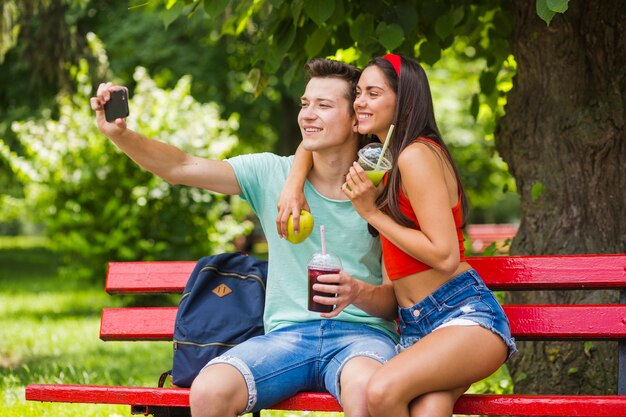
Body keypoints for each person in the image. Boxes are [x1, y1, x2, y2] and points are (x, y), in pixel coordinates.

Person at [90, 58, 399, 417]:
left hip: (361, 339)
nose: (308, 115)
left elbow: (395, 303)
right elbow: (181, 167)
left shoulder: (386, 188)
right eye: (305, 103)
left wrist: (356, 292)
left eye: (324, 105)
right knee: (209, 390)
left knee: (365, 391)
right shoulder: (272, 175)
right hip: (287, 337)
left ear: (355, 119)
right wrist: (121, 135)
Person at [278, 54, 518, 417]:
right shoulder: (383, 160)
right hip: (415, 325)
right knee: (429, 408)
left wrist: (371, 213)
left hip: (460, 315)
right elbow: (311, 143)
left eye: (373, 93)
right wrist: (294, 185)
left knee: (379, 392)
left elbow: (445, 255)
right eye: (358, 93)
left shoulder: (415, 155)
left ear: (404, 99)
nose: (360, 102)